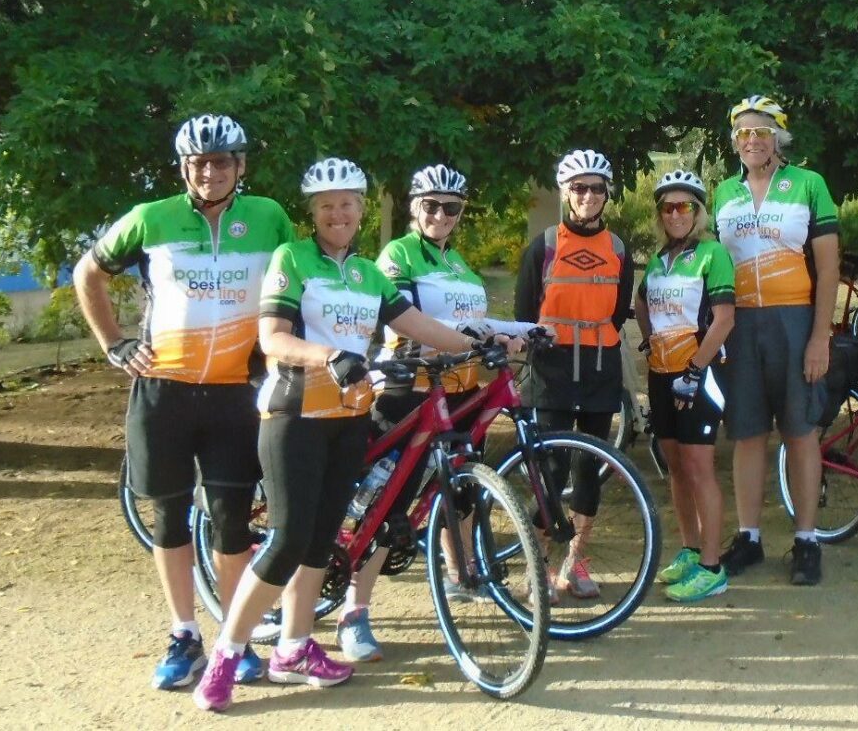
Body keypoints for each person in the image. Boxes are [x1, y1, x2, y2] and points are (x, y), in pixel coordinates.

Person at [192, 158, 490, 712]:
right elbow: (274, 339)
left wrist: (474, 346)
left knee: (325, 541)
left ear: (360, 209)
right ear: (313, 211)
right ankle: (226, 655)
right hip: (294, 416)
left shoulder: (367, 274)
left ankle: (295, 648)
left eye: (347, 204)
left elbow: (415, 325)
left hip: (350, 419)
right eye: (327, 205)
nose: (338, 213)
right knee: (286, 541)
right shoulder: (294, 258)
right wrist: (329, 355)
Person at [73, 114, 294, 689]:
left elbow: (294, 285)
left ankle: (233, 638)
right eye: (198, 162)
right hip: (163, 389)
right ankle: (183, 633)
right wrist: (114, 343)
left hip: (234, 393)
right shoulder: (151, 219)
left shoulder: (268, 217)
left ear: (240, 166)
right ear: (183, 167)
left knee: (232, 522)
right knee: (169, 516)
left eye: (222, 161)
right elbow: (87, 272)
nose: (210, 171)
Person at [336, 163, 498, 661]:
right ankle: (354, 612)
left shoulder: (459, 263)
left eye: (452, 208)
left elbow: (475, 321)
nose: (442, 215)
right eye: (431, 205)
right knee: (388, 501)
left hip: (456, 391)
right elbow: (408, 323)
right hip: (410, 389)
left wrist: (526, 328)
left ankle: (460, 572)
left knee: (459, 489)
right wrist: (469, 340)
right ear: (413, 207)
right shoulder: (399, 254)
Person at [711, 95, 840, 586]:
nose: (752, 139)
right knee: (746, 433)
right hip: (741, 323)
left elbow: (828, 268)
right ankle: (749, 537)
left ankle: (806, 541)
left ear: (778, 137)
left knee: (801, 431)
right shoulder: (723, 193)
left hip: (794, 318)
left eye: (761, 130)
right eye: (743, 132)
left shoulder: (808, 185)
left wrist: (819, 338)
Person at [514, 149, 635, 598]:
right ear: (565, 192)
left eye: (596, 189)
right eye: (579, 188)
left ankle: (575, 562)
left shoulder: (618, 249)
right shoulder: (544, 246)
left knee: (589, 471)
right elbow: (526, 313)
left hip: (600, 369)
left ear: (607, 195)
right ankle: (539, 563)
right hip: (551, 371)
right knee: (549, 469)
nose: (587, 196)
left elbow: (619, 311)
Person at [635, 170, 736, 602]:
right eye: (668, 207)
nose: (676, 214)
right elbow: (641, 301)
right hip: (661, 374)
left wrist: (694, 370)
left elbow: (726, 319)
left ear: (698, 211)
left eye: (685, 206)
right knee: (675, 466)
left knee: (699, 467)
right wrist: (647, 339)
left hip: (699, 374)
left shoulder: (712, 254)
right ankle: (691, 549)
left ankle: (713, 568)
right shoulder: (660, 260)